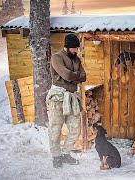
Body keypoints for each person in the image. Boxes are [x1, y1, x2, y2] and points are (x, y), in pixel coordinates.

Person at [46, 34, 86, 168]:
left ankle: (66, 153)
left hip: (72, 97)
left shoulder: (77, 60)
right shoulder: (56, 57)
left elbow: (84, 76)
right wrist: (75, 76)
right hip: (57, 96)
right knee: (55, 128)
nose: (76, 50)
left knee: (75, 129)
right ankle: (56, 156)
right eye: (74, 48)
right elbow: (67, 74)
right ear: (67, 46)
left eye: (77, 48)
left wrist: (73, 76)